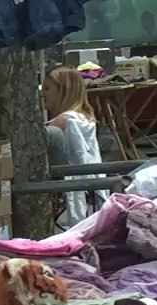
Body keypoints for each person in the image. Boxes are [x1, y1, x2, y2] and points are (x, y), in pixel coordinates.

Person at [41, 65, 107, 227]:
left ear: (63, 91)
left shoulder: (60, 122)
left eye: (48, 88)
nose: (42, 93)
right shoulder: (85, 118)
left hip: (65, 192)